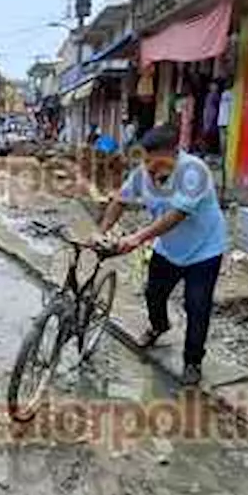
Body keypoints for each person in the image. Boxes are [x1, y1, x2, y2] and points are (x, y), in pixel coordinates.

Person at [98, 124, 227, 386]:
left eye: (153, 160)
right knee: (153, 293)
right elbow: (120, 201)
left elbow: (177, 215)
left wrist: (137, 237)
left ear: (173, 153)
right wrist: (101, 231)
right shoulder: (142, 174)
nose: (148, 166)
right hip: (168, 248)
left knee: (197, 306)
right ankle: (159, 326)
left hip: (205, 250)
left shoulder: (195, 172)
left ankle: (192, 361)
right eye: (145, 159)